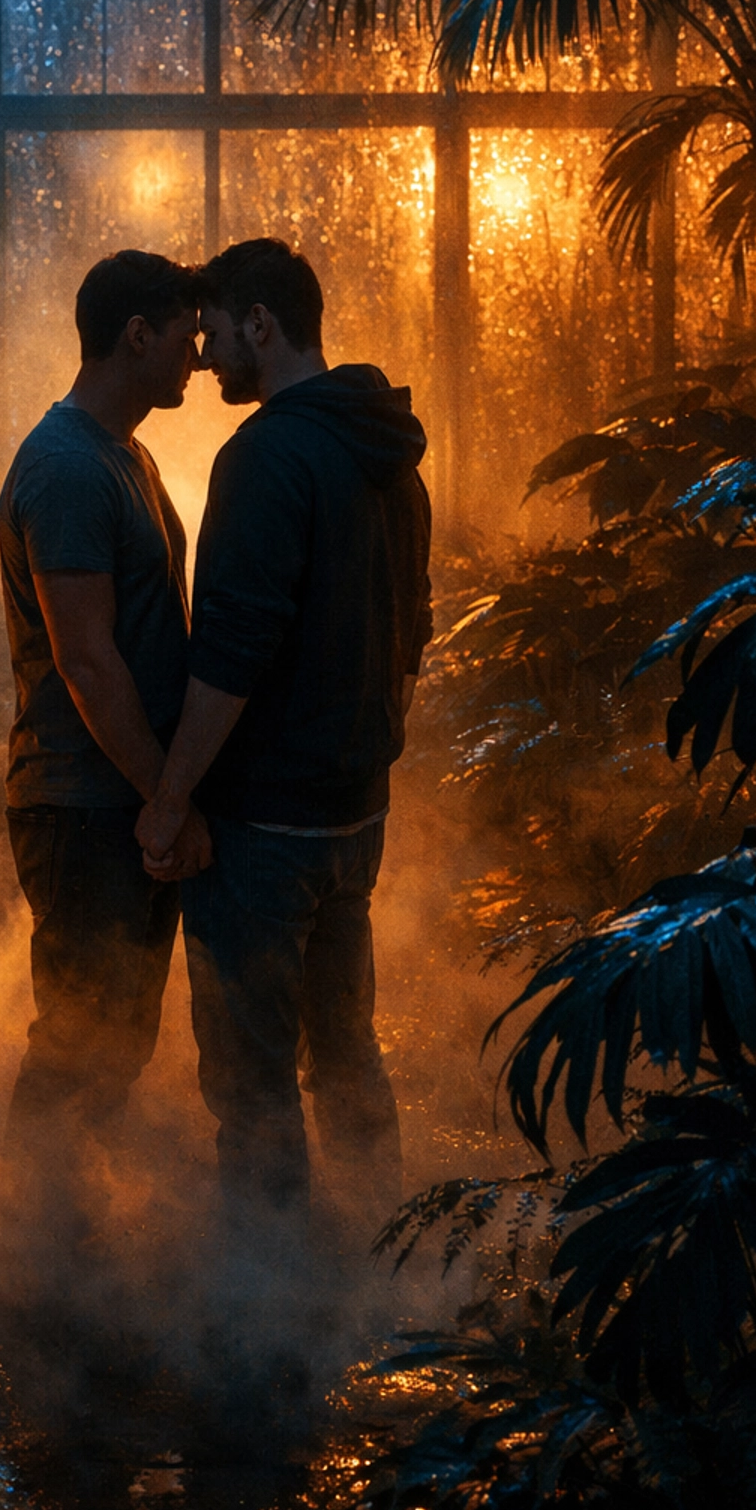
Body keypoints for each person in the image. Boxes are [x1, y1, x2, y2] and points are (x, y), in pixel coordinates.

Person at [137, 238, 432, 1246]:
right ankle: (381, 1256)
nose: (208, 357)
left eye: (216, 333)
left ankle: (267, 1305)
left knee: (252, 1075)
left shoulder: (266, 455)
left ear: (262, 322)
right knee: (345, 1045)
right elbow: (412, 635)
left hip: (264, 822)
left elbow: (231, 652)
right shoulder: (387, 451)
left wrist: (171, 798)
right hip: (354, 812)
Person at [0, 248, 211, 1197]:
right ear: (136, 335)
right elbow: (86, 661)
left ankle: (66, 1245)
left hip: (108, 793)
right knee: (82, 1042)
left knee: (111, 1039)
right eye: (184, 335)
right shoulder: (70, 470)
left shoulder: (121, 454)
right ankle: (32, 1249)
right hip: (86, 799)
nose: (198, 357)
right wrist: (164, 795)